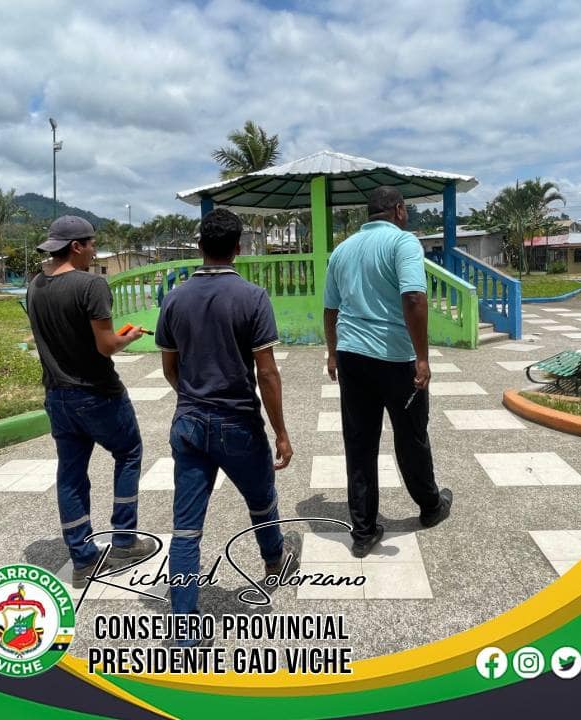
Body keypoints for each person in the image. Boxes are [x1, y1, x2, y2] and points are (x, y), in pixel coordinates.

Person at [155, 208, 300, 638]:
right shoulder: (252, 297)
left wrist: (193, 397)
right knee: (261, 499)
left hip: (188, 424)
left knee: (186, 528)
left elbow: (170, 368)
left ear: (200, 246)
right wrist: (281, 432)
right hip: (238, 423)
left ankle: (184, 626)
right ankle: (273, 561)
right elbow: (267, 373)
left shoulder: (174, 299)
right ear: (238, 248)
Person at [323, 187, 452, 558]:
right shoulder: (403, 242)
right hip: (396, 359)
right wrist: (422, 358)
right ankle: (430, 507)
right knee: (411, 436)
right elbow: (413, 297)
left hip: (351, 356)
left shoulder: (342, 250)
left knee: (359, 442)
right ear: (399, 209)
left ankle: (363, 532)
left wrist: (332, 353)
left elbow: (331, 309)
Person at [27, 215, 154, 588]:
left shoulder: (35, 286)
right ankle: (124, 541)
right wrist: (130, 336)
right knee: (128, 453)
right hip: (98, 394)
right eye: (92, 244)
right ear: (77, 246)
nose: (95, 251)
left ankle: (83, 559)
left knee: (70, 473)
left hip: (57, 396)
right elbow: (106, 346)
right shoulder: (91, 285)